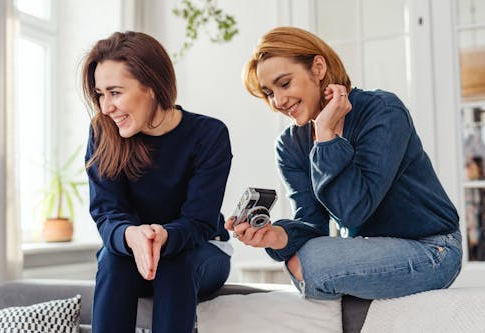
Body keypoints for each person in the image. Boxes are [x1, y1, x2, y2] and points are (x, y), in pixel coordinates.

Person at [226, 26, 462, 300]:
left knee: (313, 262)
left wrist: (326, 138)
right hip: (367, 249)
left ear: (318, 67)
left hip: (432, 248)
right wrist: (274, 236)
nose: (278, 101)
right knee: (302, 258)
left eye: (285, 83)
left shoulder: (382, 110)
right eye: (268, 93)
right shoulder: (291, 144)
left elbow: (355, 210)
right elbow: (312, 224)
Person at [82, 31, 232, 333]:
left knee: (175, 261)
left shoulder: (209, 135)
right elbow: (106, 213)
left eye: (115, 92)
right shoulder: (103, 132)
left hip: (200, 251)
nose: (105, 106)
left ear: (151, 85)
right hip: (129, 253)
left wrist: (162, 236)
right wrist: (131, 236)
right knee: (114, 258)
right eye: (100, 94)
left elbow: (199, 222)